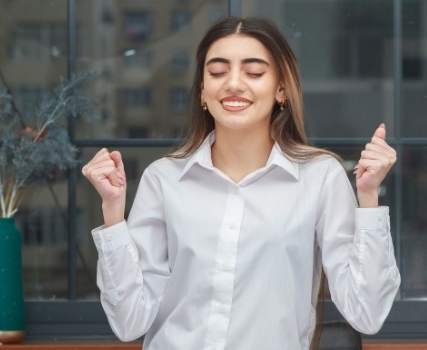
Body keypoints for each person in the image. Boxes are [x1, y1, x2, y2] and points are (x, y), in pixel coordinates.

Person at [81, 16, 400, 349]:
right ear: (203, 90)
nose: (233, 84)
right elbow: (130, 321)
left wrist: (368, 198)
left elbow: (367, 313)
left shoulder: (320, 177)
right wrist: (113, 213)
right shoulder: (163, 179)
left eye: (254, 72)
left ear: (281, 88)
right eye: (217, 72)